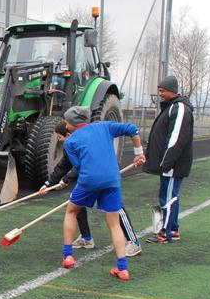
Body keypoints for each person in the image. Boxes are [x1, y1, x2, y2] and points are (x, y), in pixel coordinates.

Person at [58, 106, 146, 281]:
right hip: (112, 180)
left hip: (88, 181)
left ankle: (68, 256)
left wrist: (65, 180)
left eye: (66, 122)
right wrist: (139, 153)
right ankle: (122, 268)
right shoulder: (105, 126)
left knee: (71, 211)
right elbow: (132, 129)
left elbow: (78, 166)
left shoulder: (70, 142)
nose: (65, 124)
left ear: (71, 124)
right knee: (114, 224)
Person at [39, 120, 142, 257]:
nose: (60, 141)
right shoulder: (70, 144)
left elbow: (83, 166)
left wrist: (66, 179)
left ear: (68, 133)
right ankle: (86, 239)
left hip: (105, 175)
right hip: (88, 178)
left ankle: (133, 242)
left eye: (60, 137)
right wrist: (48, 184)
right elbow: (64, 165)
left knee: (116, 209)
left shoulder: (87, 137)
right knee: (76, 205)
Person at [142, 75, 194, 244]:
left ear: (172, 91)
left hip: (173, 164)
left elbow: (176, 137)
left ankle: (165, 232)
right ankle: (173, 229)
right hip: (168, 163)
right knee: (169, 196)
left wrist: (166, 162)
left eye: (162, 91)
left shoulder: (179, 108)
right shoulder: (171, 107)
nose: (160, 94)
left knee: (168, 198)